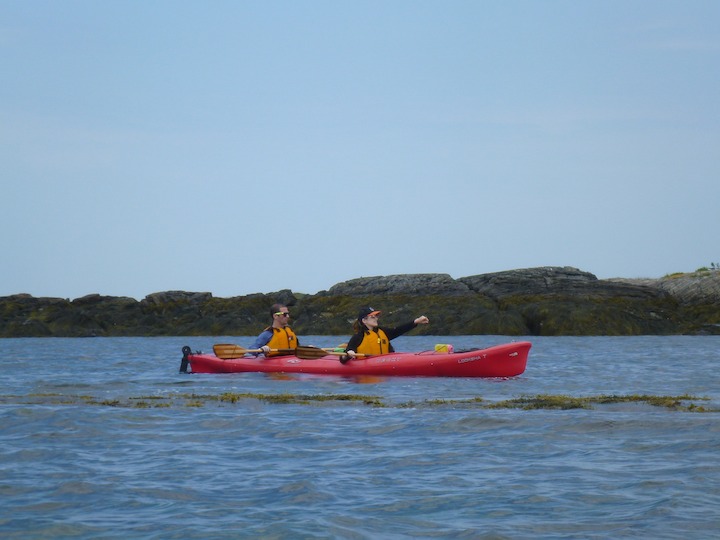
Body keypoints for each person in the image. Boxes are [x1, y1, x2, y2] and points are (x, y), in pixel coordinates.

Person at [343, 306, 429, 362]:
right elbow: (344, 357)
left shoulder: (383, 332)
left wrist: (416, 322)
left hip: (384, 363)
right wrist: (349, 353)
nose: (376, 318)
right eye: (372, 317)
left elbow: (398, 330)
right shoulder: (358, 336)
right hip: (365, 365)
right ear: (364, 320)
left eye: (376, 316)